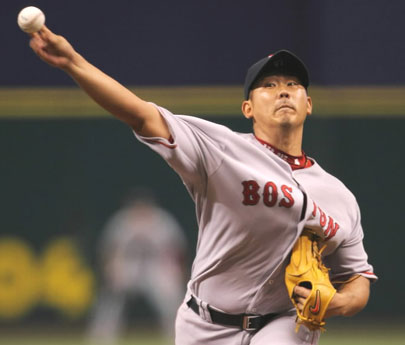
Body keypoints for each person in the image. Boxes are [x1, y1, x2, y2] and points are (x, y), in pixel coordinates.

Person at [28, 26, 377, 345]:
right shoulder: (220, 150)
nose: (282, 91)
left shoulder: (339, 197)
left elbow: (358, 276)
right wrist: (74, 63)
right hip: (205, 325)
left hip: (285, 323)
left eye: (293, 85)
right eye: (268, 86)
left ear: (308, 104)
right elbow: (141, 114)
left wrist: (340, 302)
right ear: (247, 108)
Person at [87, 189, 187, 344]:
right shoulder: (121, 221)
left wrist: (176, 272)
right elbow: (110, 251)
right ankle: (102, 337)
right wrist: (111, 270)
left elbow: (176, 251)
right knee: (112, 295)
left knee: (171, 297)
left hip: (155, 266)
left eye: (144, 207)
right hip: (129, 265)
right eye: (137, 207)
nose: (140, 211)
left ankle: (178, 336)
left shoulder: (163, 221)